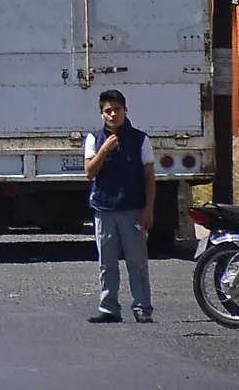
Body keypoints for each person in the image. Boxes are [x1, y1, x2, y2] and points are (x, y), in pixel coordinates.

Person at [84, 88, 156, 323]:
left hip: (133, 208)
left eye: (117, 109)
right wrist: (104, 150)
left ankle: (142, 307)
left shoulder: (140, 139)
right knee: (107, 262)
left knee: (137, 262)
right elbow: (89, 172)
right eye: (108, 111)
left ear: (125, 110)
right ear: (101, 114)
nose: (112, 114)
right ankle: (109, 307)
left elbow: (148, 177)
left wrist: (148, 209)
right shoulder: (95, 139)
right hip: (104, 209)